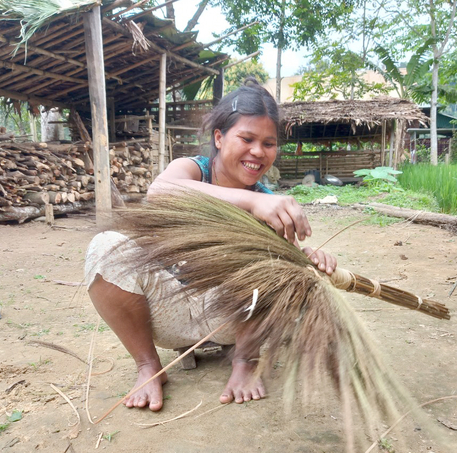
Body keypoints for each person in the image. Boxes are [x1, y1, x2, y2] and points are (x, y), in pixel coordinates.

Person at [85, 77, 337, 412]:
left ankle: (245, 363)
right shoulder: (192, 170)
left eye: (269, 143)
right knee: (105, 248)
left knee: (270, 268)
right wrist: (249, 203)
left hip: (228, 322)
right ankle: (148, 366)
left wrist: (309, 259)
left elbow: (281, 266)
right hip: (165, 313)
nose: (258, 152)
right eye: (246, 138)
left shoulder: (270, 205)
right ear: (219, 138)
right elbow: (159, 192)